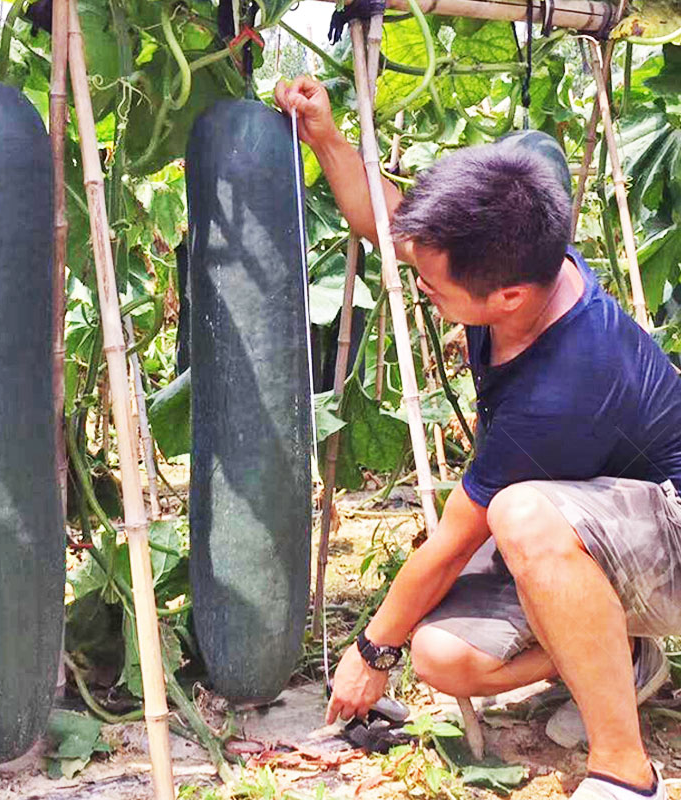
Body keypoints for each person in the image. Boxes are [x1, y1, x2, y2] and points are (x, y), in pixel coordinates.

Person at [275, 75, 681, 800]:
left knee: (517, 517)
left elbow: (456, 538)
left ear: (507, 299)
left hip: (671, 532)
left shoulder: (567, 380)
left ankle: (624, 773)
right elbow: (396, 227)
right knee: (441, 656)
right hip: (602, 513)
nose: (422, 288)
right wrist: (328, 138)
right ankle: (616, 648)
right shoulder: (507, 268)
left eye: (433, 286)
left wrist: (371, 651)